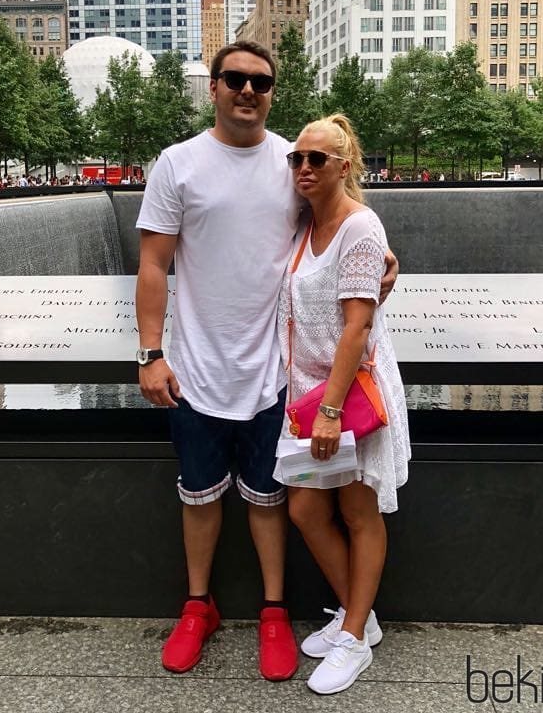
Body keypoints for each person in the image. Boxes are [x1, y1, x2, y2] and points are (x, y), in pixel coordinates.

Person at [135, 41, 399, 682]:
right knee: (199, 497)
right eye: (234, 79)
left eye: (261, 81)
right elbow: (153, 263)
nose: (247, 90)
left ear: (272, 91)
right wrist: (150, 353)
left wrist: (382, 270)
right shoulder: (178, 164)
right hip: (196, 369)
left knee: (271, 499)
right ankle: (199, 606)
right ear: (215, 87)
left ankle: (275, 612)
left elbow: (345, 231)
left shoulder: (290, 163)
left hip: (278, 377)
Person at [274, 114, 410, 696]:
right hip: (308, 397)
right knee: (305, 509)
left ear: (345, 165)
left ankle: (353, 638)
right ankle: (363, 616)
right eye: (297, 159)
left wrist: (330, 410)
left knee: (359, 515)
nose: (304, 167)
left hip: (347, 398)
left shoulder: (359, 227)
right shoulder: (307, 226)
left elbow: (357, 326)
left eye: (317, 159)